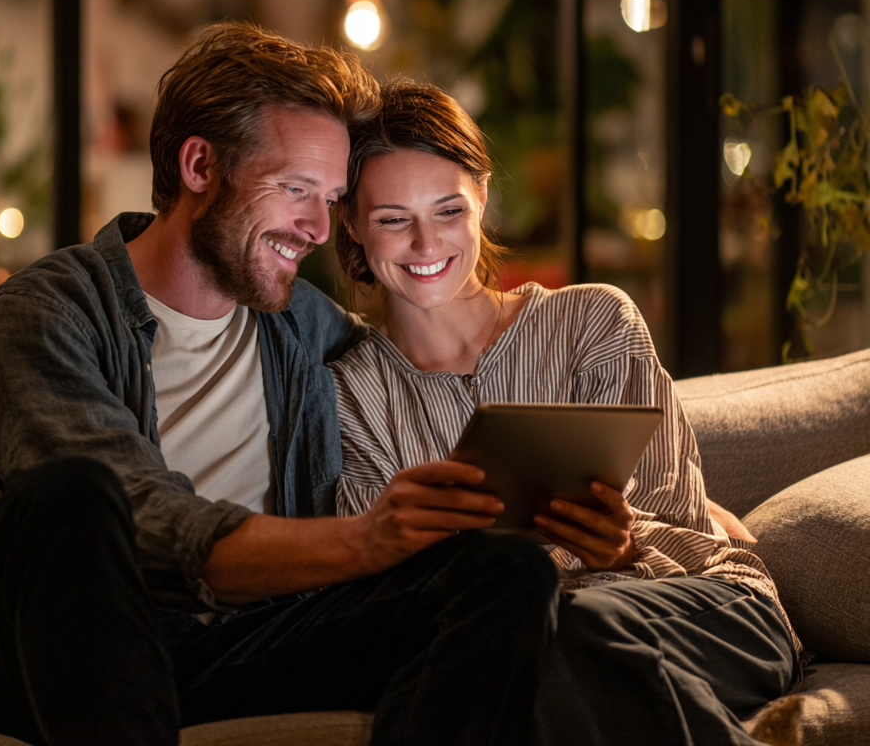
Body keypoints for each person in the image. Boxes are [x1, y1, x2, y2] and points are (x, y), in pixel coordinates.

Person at [0, 23, 563, 746]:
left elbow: (425, 376)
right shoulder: (46, 313)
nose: (317, 229)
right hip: (55, 645)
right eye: (295, 190)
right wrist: (366, 541)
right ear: (200, 166)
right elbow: (144, 522)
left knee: (504, 572)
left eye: (330, 199)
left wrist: (586, 507)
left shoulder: (303, 325)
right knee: (72, 495)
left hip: (237, 643)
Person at [330, 77, 801, 746]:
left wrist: (627, 544)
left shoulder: (592, 320)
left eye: (448, 210)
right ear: (350, 221)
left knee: (558, 637)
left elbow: (680, 515)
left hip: (706, 609)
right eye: (391, 219)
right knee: (538, 654)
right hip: (537, 638)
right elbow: (388, 582)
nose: (426, 243)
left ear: (483, 196)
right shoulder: (351, 395)